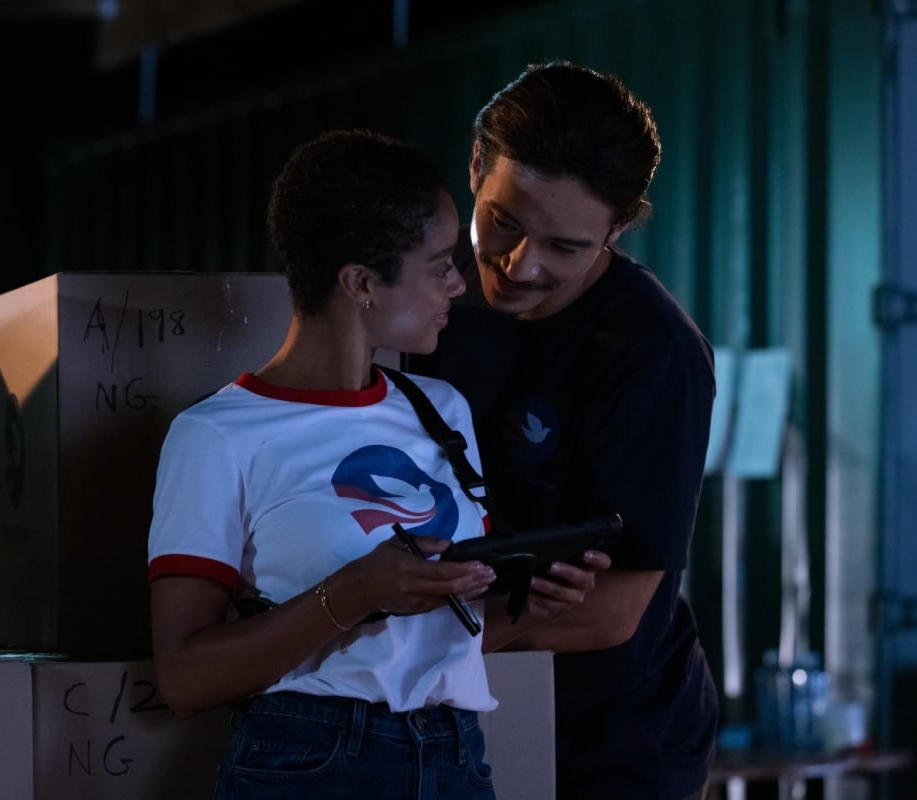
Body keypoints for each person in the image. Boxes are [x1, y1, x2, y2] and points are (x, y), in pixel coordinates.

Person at [146, 128, 610, 800]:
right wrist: (353, 594)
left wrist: (533, 604)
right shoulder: (217, 435)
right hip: (312, 761)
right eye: (437, 264)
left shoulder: (441, 411)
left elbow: (438, 641)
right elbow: (185, 678)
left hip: (455, 759)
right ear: (360, 283)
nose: (458, 284)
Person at [407, 61, 719, 799]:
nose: (519, 265)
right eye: (503, 222)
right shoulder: (414, 288)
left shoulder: (656, 355)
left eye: (566, 248)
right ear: (478, 164)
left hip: (609, 739)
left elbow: (610, 611)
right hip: (438, 702)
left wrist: (400, 632)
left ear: (616, 227)